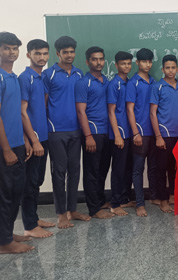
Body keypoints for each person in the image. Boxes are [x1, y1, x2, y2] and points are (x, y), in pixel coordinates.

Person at [0, 32, 35, 254]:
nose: (11, 52)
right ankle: (5, 243)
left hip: (17, 144)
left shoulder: (13, 77)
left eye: (15, 48)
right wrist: (5, 149)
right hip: (0, 147)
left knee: (16, 191)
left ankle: (9, 233)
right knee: (3, 194)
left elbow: (14, 113)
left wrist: (24, 139)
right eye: (6, 48)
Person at [43, 36, 90, 229]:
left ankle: (72, 210)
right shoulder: (49, 74)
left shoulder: (79, 74)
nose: (69, 55)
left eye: (72, 52)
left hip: (76, 130)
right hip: (56, 131)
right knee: (59, 173)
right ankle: (61, 214)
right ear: (58, 53)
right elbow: (43, 103)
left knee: (75, 171)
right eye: (65, 52)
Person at [19, 39, 53, 238]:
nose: (41, 57)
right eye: (37, 53)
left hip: (43, 136)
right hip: (34, 140)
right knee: (29, 183)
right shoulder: (25, 78)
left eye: (44, 53)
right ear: (28, 55)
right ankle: (29, 226)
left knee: (37, 180)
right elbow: (21, 112)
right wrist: (33, 140)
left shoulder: (42, 78)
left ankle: (34, 218)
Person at [75, 46, 113, 220]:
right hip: (93, 132)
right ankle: (93, 208)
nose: (98, 62)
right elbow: (80, 111)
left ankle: (100, 200)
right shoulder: (83, 83)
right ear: (87, 61)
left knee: (102, 169)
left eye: (101, 59)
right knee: (91, 171)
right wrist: (88, 136)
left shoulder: (106, 81)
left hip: (107, 131)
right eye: (94, 59)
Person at [150, 54, 178, 214]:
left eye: (173, 68)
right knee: (162, 169)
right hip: (164, 134)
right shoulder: (157, 87)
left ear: (177, 69)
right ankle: (163, 200)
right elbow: (152, 113)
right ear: (162, 69)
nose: (170, 70)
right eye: (167, 68)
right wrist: (158, 136)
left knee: (174, 168)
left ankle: (172, 196)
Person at [126, 48, 158, 217]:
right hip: (140, 132)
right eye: (144, 61)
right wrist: (135, 133)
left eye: (150, 61)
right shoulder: (133, 83)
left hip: (154, 131)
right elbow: (129, 109)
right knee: (138, 168)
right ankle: (139, 203)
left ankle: (154, 197)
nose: (148, 64)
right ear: (137, 62)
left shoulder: (154, 82)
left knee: (153, 166)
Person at [107, 51, 135, 216]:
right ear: (116, 65)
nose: (126, 66)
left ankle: (124, 198)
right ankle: (115, 203)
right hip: (119, 133)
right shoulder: (114, 84)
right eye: (123, 64)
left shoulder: (130, 83)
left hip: (130, 132)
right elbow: (111, 111)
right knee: (118, 169)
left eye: (129, 63)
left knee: (127, 167)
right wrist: (117, 135)